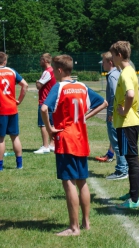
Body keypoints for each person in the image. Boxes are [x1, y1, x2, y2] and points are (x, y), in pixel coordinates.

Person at [41, 54, 108, 236]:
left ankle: (74, 228)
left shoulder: (59, 87)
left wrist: (50, 128)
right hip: (81, 138)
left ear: (60, 70)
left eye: (55, 70)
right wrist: (84, 117)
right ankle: (86, 223)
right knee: (82, 182)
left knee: (69, 182)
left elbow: (44, 108)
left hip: (66, 139)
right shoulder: (82, 86)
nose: (54, 73)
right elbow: (103, 103)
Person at [109, 41, 139, 209]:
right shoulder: (129, 71)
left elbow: (130, 94)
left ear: (119, 55)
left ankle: (134, 200)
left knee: (132, 160)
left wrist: (125, 110)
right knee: (130, 160)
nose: (111, 58)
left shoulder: (125, 74)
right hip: (127, 122)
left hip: (127, 123)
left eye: (113, 55)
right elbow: (137, 91)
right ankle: (132, 193)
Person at [95, 51, 129, 180]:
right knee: (119, 141)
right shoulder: (117, 74)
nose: (102, 64)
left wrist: (111, 113)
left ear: (110, 62)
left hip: (114, 113)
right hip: (117, 112)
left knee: (116, 142)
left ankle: (121, 170)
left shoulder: (112, 76)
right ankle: (124, 168)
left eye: (103, 62)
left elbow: (115, 95)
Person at [34, 53, 56, 154]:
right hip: (52, 100)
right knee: (52, 123)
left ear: (45, 61)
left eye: (41, 60)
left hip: (45, 101)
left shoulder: (47, 72)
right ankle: (52, 144)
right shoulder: (53, 71)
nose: (39, 62)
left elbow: (39, 85)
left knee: (43, 124)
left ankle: (45, 146)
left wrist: (37, 81)